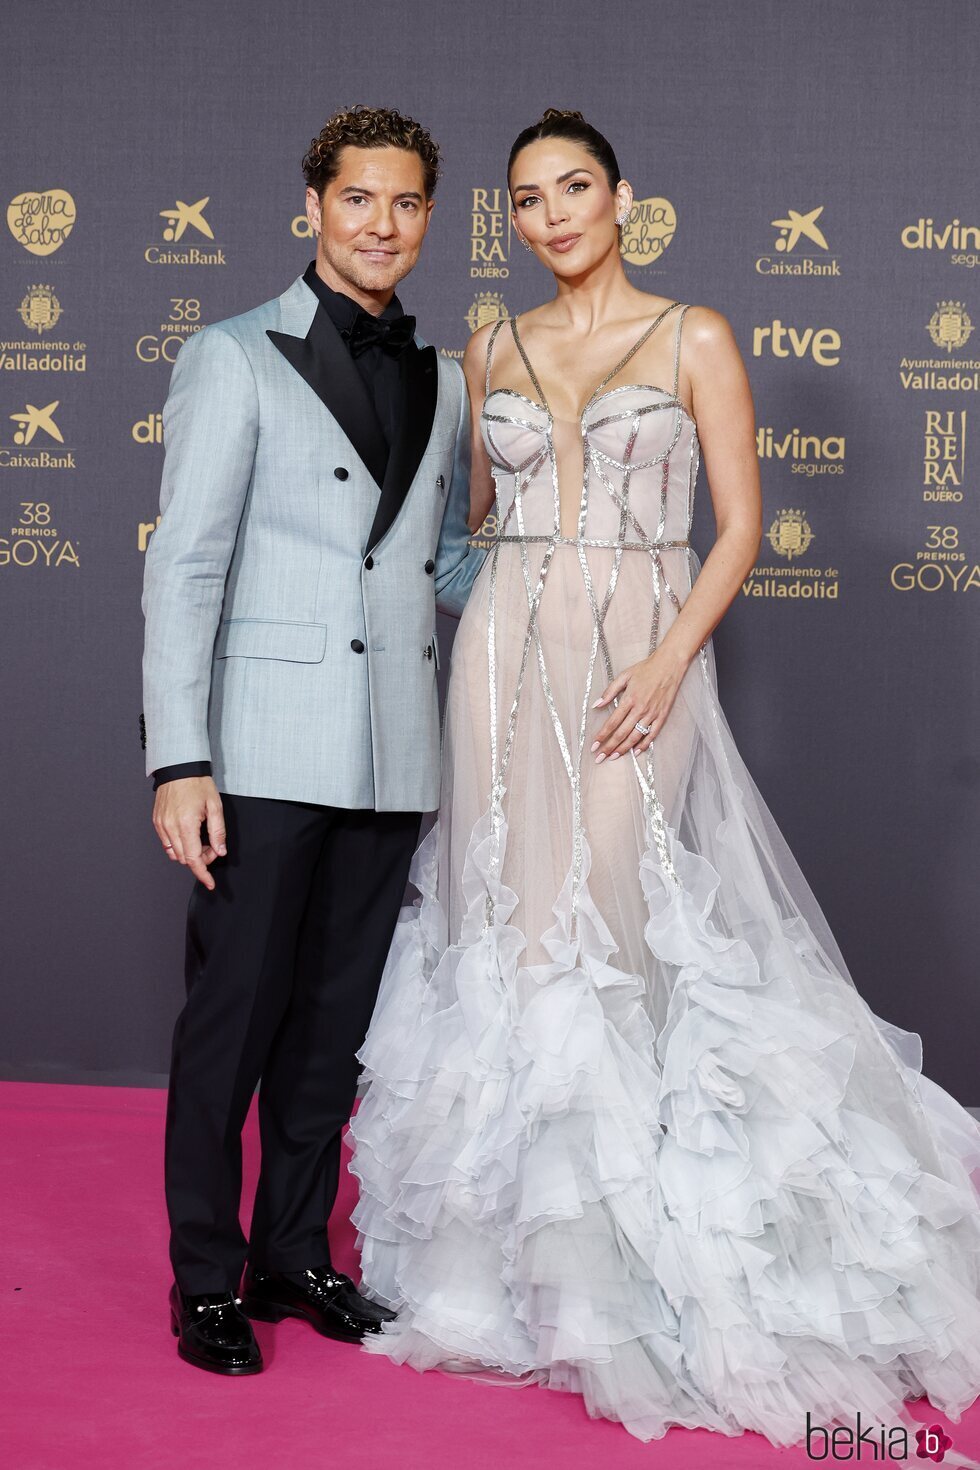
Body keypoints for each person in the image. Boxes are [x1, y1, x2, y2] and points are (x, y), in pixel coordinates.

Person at [347, 109, 980, 1447]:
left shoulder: (697, 334)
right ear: (509, 220)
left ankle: (647, 1265)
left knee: (623, 930)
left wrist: (668, 661)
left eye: (575, 187)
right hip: (502, 661)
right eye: (527, 199)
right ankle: (518, 1272)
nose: (553, 214)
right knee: (513, 925)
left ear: (624, 197)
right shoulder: (494, 345)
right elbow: (475, 525)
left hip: (641, 656)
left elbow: (739, 523)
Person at [141, 105, 485, 1377]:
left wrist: (558, 557)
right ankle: (205, 1279)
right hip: (262, 751)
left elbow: (434, 559)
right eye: (357, 200)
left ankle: (293, 1254)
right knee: (228, 1022)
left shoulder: (446, 378)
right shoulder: (231, 354)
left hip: (393, 750)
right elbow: (183, 568)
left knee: (335, 1026)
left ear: (428, 219)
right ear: (313, 207)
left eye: (404, 205)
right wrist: (178, 758)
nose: (379, 226)